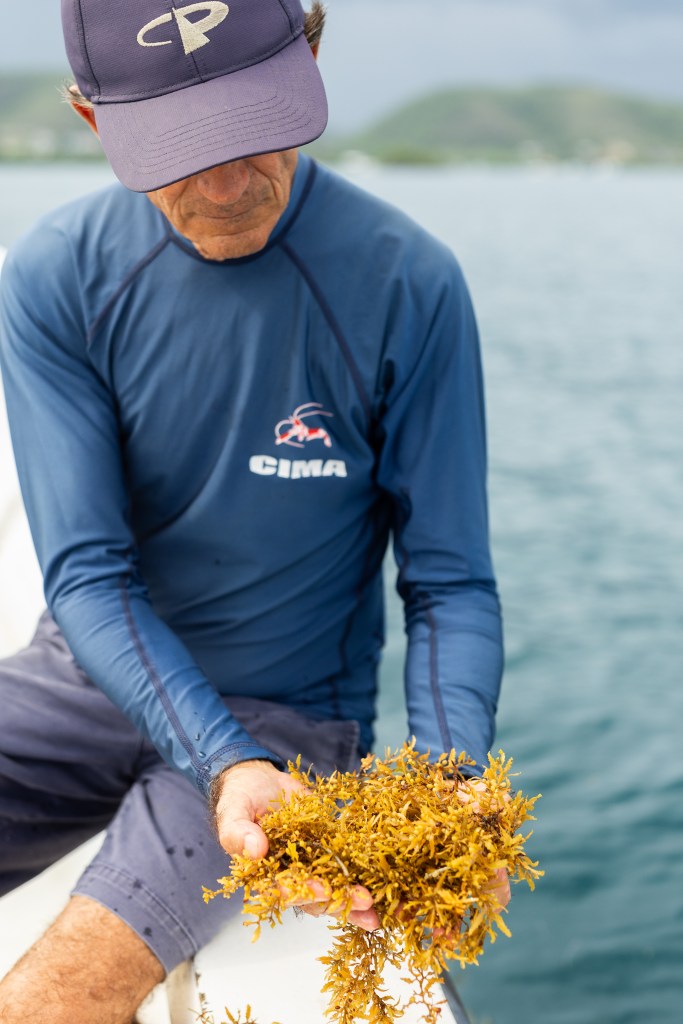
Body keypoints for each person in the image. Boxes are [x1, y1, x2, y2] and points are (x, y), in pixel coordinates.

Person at [0, 1, 505, 1021]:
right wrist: (211, 753)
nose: (228, 186)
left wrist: (450, 776)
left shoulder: (409, 284)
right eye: (181, 151)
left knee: (54, 999)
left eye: (252, 131)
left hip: (286, 726)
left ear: (310, 57)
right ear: (93, 121)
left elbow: (447, 581)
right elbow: (88, 576)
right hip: (85, 679)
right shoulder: (55, 280)